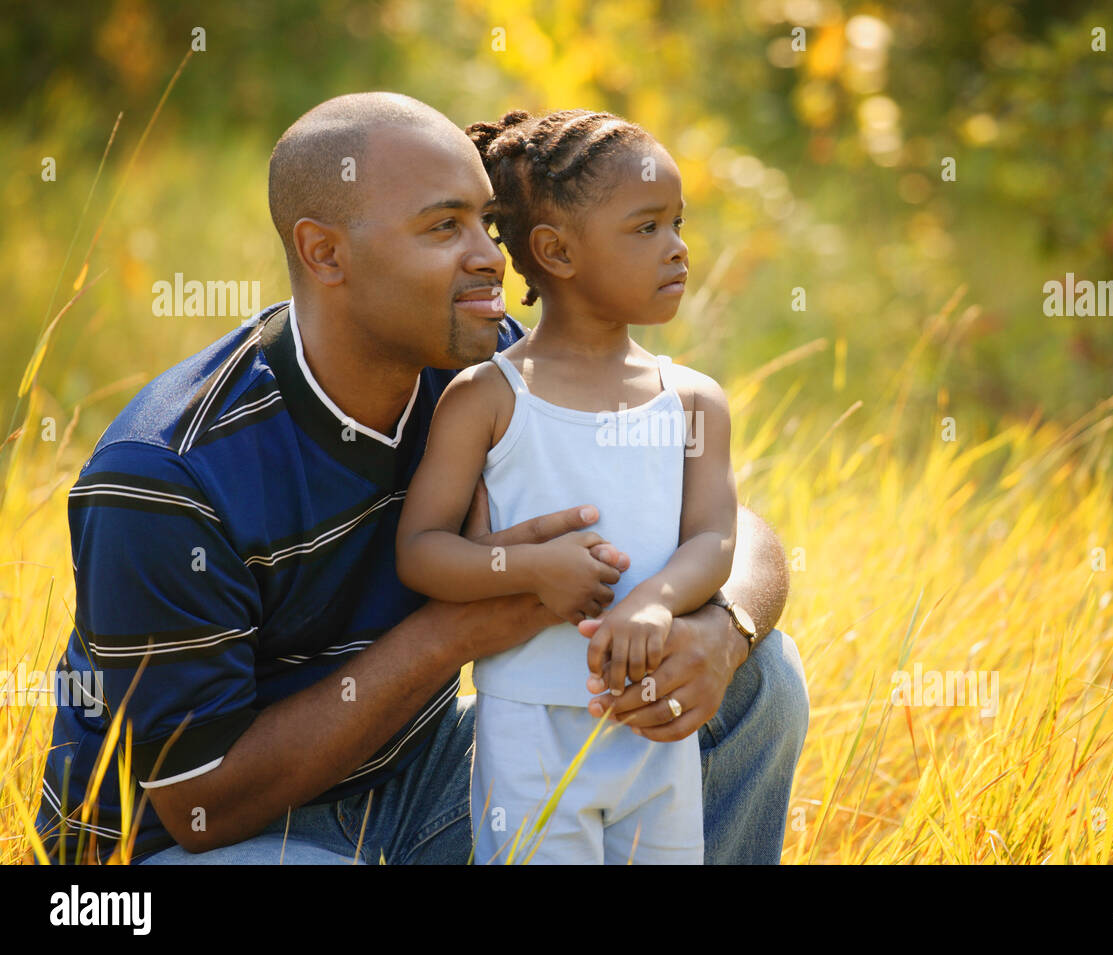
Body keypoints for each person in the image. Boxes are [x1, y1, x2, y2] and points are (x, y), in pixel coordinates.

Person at [33, 92, 809, 866]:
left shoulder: (490, 369)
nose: (489, 256)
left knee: (759, 678)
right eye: (444, 227)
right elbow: (202, 806)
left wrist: (723, 629)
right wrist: (457, 631)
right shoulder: (169, 474)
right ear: (325, 253)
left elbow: (731, 530)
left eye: (485, 219)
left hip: (422, 777)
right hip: (204, 848)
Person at [395, 108, 734, 864]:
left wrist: (655, 599)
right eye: (646, 228)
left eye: (679, 223)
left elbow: (714, 537)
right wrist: (528, 570)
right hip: (527, 730)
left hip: (652, 722)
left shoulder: (693, 400)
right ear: (555, 251)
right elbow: (420, 551)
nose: (678, 249)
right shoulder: (488, 397)